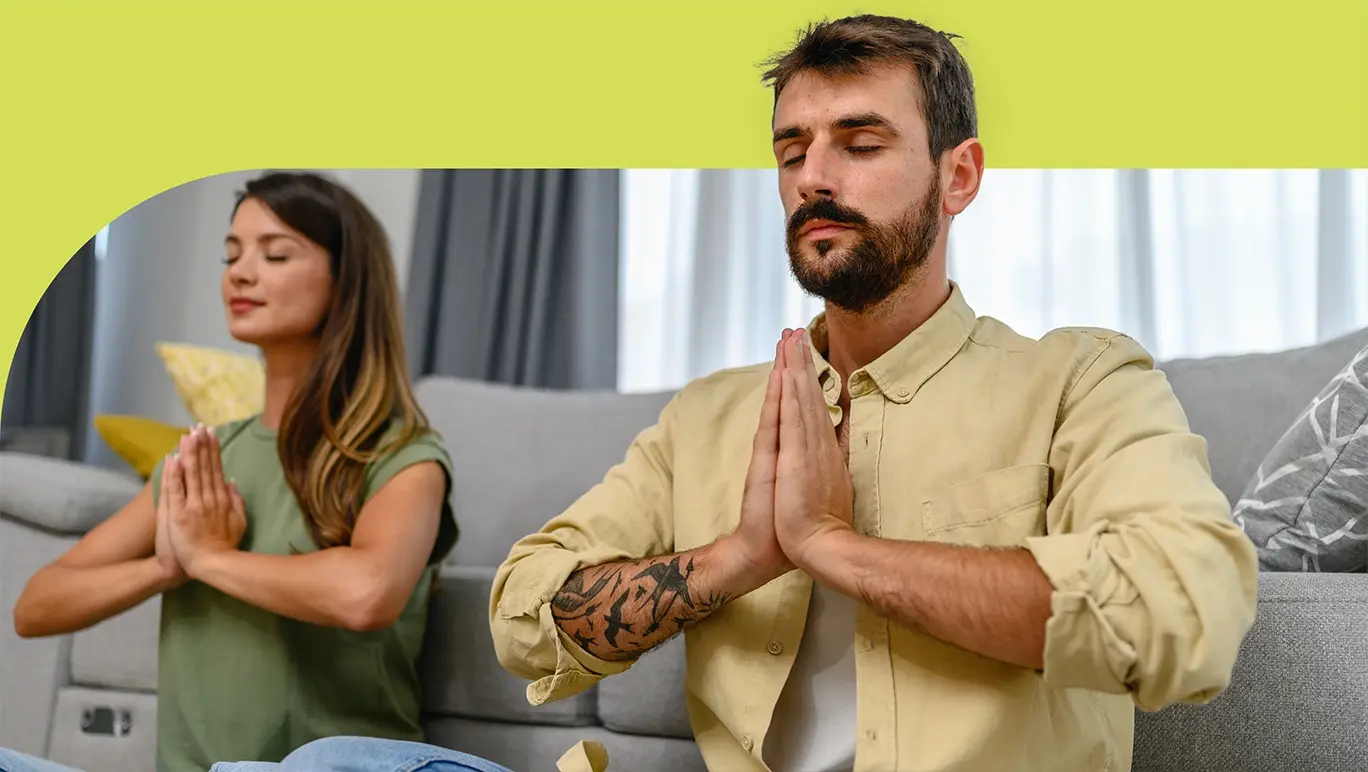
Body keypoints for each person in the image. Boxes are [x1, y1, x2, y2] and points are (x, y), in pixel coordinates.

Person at [488, 13, 1259, 772]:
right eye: (792, 152)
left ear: (958, 176)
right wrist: (739, 558)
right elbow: (522, 618)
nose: (813, 178)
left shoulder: (1080, 381)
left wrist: (835, 548)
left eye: (860, 145)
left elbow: (1184, 610)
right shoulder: (705, 418)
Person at [0, 172, 494, 772]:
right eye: (231, 255)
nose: (239, 272)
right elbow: (36, 605)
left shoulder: (400, 453)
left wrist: (210, 559)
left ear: (346, 280)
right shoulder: (204, 460)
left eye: (276, 254)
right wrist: (165, 566)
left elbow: (367, 593)